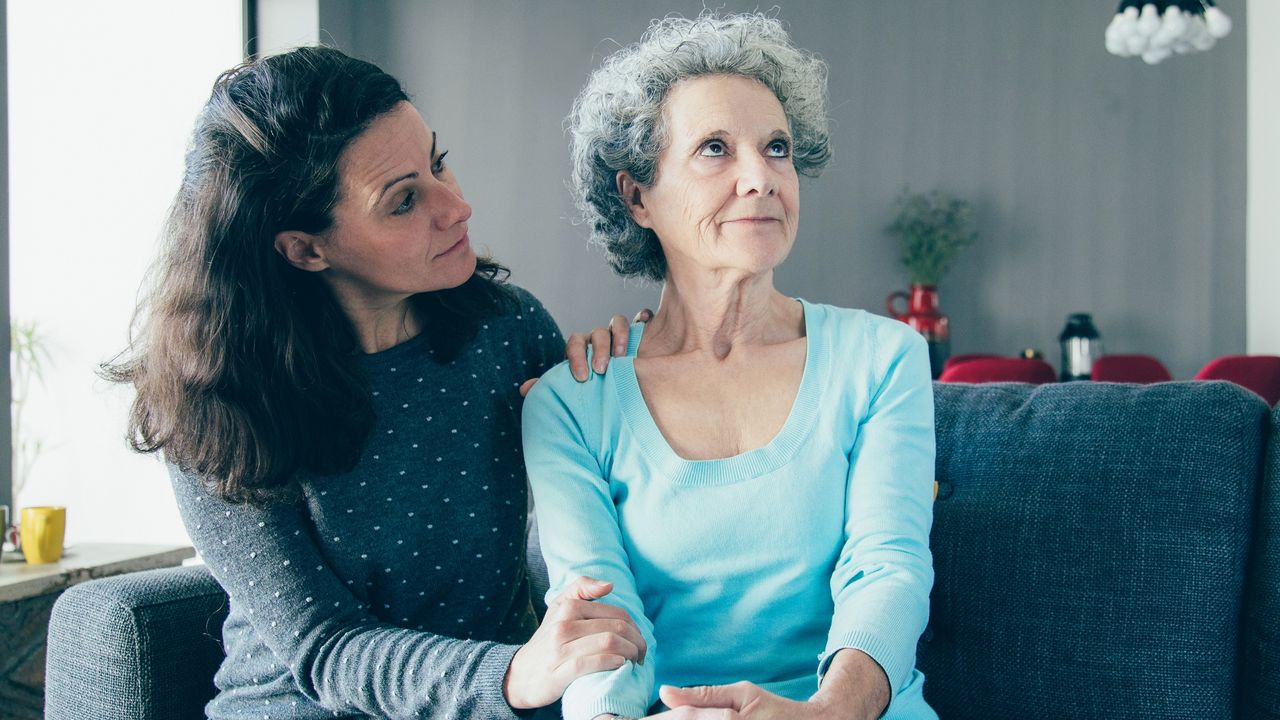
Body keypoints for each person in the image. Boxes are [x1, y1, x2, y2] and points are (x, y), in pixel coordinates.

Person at [105, 46, 652, 720]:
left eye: (438, 162)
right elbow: (326, 647)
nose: (456, 206)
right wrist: (515, 671)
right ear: (306, 248)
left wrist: (625, 389)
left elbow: (616, 502)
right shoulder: (215, 404)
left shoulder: (507, 331)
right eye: (403, 202)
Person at [523, 12, 936, 720]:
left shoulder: (882, 357)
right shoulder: (571, 403)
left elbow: (887, 570)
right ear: (636, 195)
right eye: (715, 149)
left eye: (776, 148)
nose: (762, 179)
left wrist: (831, 713)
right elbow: (602, 618)